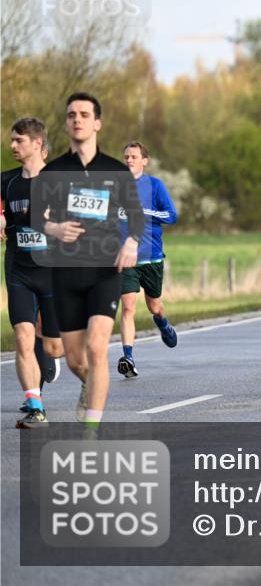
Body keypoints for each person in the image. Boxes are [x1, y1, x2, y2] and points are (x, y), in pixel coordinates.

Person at [35, 93, 144, 431]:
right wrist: (54, 227)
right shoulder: (53, 171)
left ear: (97, 122)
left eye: (84, 114)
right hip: (66, 272)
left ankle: (91, 434)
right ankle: (87, 384)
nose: (77, 119)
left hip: (105, 270)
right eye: (71, 115)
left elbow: (137, 218)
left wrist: (131, 241)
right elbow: (38, 218)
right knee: (75, 359)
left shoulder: (115, 170)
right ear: (66, 123)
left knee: (97, 348)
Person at [3, 118, 66, 427]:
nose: (13, 145)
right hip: (19, 269)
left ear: (38, 144)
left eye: (19, 140)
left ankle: (50, 356)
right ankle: (34, 402)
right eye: (12, 140)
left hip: (54, 272)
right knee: (23, 334)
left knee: (53, 344)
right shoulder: (7, 182)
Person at [116, 142, 179, 378]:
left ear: (144, 161)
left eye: (134, 157)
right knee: (128, 307)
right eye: (126, 157)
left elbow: (172, 215)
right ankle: (128, 357)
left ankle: (163, 323)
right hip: (126, 259)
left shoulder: (155, 185)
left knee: (154, 305)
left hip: (151, 257)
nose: (129, 160)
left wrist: (146, 212)